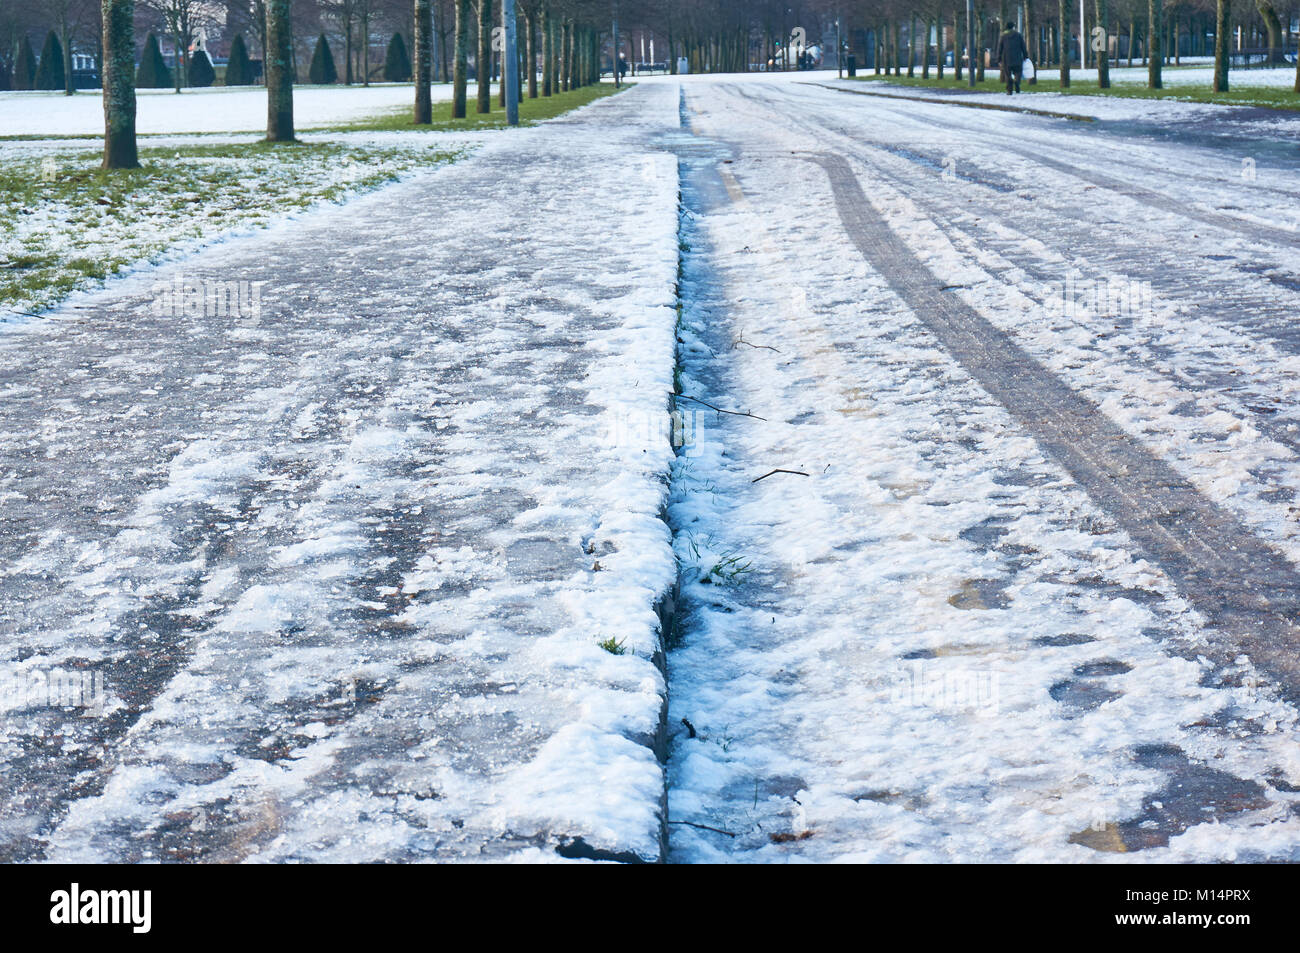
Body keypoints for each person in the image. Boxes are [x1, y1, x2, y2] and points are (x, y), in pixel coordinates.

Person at [998, 22, 1029, 94]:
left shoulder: (1003, 36)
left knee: (1007, 74)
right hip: (1017, 57)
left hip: (1006, 58)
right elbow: (1023, 46)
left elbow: (1000, 48)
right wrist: (1025, 56)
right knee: (1018, 72)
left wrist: (999, 58)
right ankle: (1017, 81)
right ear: (1013, 27)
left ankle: (1009, 90)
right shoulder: (1018, 35)